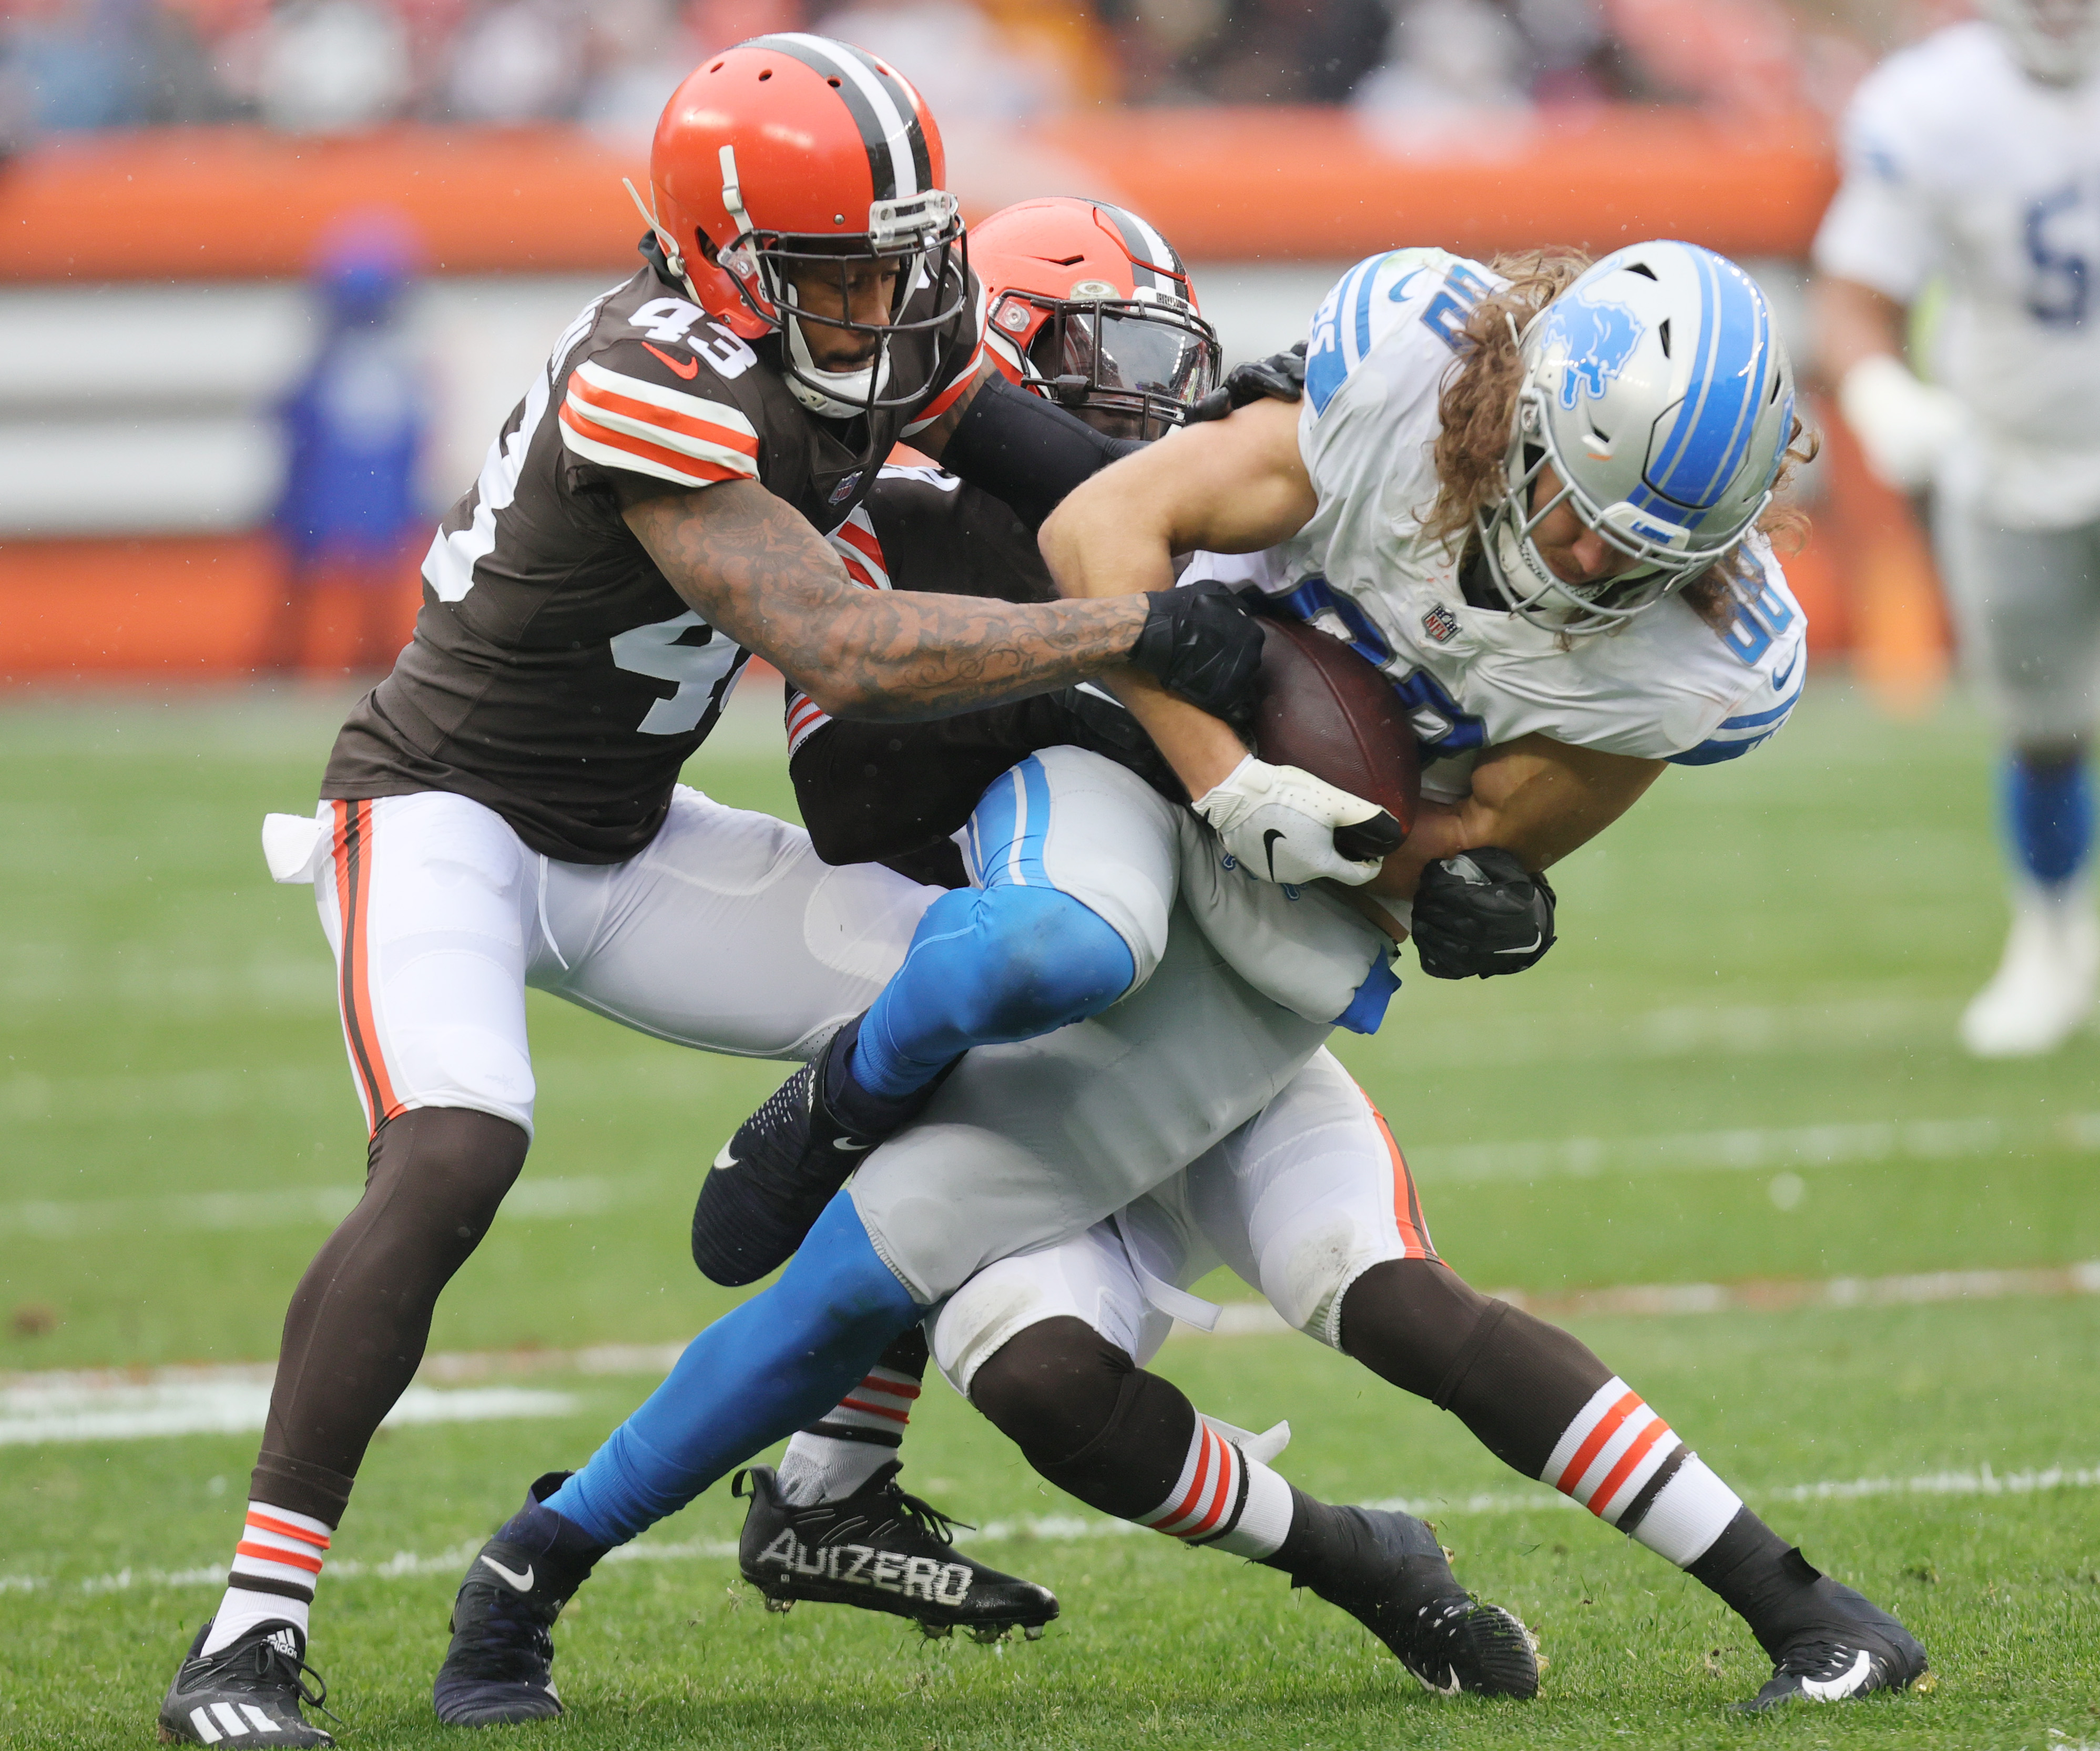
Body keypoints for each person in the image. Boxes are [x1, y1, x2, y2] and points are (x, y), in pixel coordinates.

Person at [441, 238, 1925, 1713]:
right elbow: (1104, 539)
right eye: (1581, 508)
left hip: (1294, 936)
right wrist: (1227, 774)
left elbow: (1467, 846)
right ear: (1526, 412)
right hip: (1133, 759)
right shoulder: (1404, 383)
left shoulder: (1695, 659)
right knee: (1040, 974)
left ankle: (1810, 1614)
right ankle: (592, 1484)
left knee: (1382, 1302)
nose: (1593, 562)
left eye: (1644, 551)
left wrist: (1456, 888)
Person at [154, 38, 1276, 1750]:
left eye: (904, 258)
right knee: (457, 1143)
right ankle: (251, 1628)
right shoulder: (649, 369)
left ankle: (830, 1483)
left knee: (974, 1003)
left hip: (624, 834)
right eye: (845, 271)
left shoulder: (852, 335)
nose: (894, 307)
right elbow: (840, 642)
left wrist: (1258, 475)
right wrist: (1123, 631)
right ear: (721, 259)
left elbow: (1066, 475)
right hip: (444, 817)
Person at [1813, 0, 2100, 1057]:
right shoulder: (1932, 105)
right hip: (2011, 460)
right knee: (2041, 726)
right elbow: (1852, 297)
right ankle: (2050, 935)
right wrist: (1884, 394)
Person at [263, 210, 430, 678]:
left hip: (332, 494)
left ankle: (301, 661)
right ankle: (313, 659)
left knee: (335, 580)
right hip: (338, 494)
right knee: (327, 579)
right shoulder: (391, 367)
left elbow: (284, 425)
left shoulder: (348, 363)